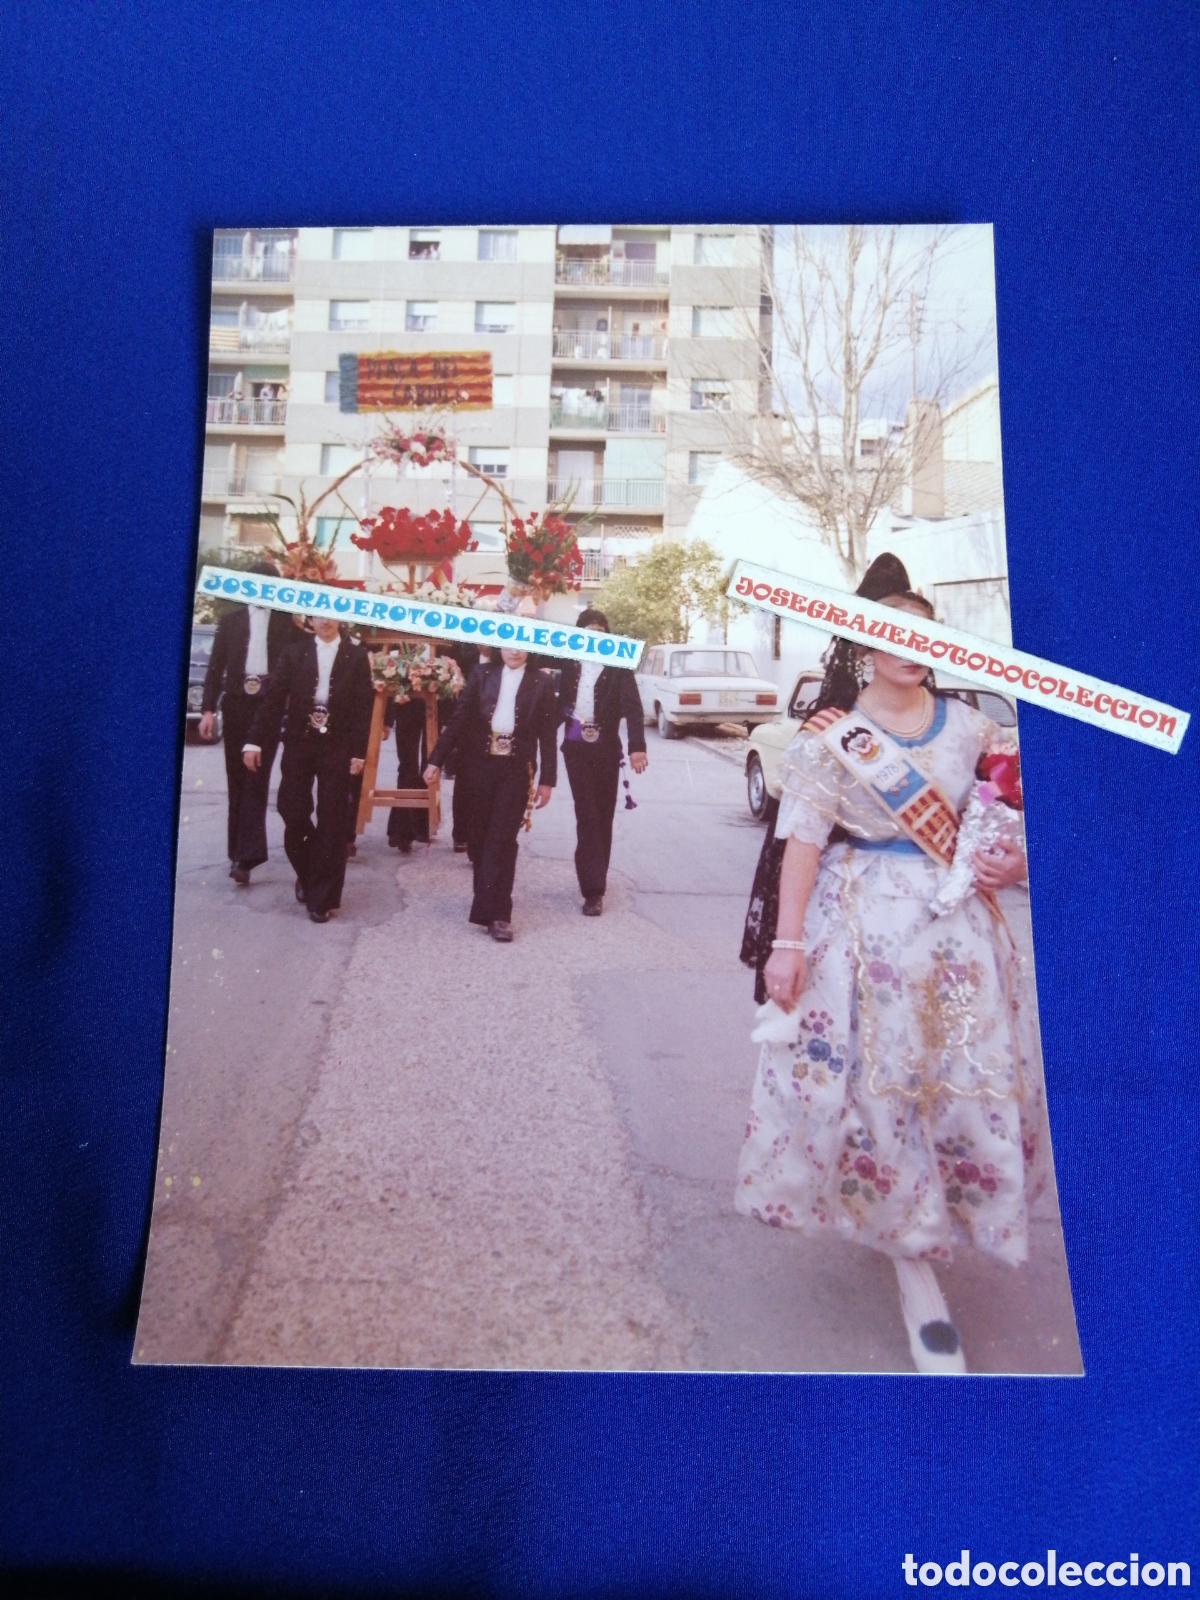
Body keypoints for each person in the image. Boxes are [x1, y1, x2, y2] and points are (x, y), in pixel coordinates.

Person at [736, 553, 1039, 1374]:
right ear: (864, 645)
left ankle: (931, 1223)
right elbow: (803, 842)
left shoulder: (973, 728)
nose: (912, 648)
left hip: (958, 942)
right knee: (883, 1092)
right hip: (862, 933)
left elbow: (1013, 813)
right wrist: (787, 946)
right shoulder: (831, 738)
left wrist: (1017, 861)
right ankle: (918, 1279)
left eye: (924, 634)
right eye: (892, 633)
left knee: (959, 1088)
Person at [243, 616, 374, 924]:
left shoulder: (356, 656)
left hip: (338, 747)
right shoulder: (294, 653)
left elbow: (363, 707)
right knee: (291, 809)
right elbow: (274, 700)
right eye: (318, 615)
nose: (325, 621)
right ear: (309, 621)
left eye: (331, 614)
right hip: (299, 743)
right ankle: (309, 873)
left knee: (332, 819)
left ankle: (322, 899)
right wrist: (254, 741)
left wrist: (358, 752)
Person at [423, 647, 557, 941]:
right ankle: (486, 903)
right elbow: (459, 719)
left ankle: (499, 915)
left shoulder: (542, 682)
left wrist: (548, 780)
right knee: (481, 837)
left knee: (503, 839)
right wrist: (435, 760)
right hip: (479, 766)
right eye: (509, 644)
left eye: (522, 645)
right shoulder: (482, 674)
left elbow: (548, 734)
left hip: (516, 769)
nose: (515, 651)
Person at [198, 562, 295, 885]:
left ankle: (246, 857)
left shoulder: (286, 623)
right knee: (237, 778)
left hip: (268, 707)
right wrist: (208, 709)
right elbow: (215, 668)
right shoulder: (230, 622)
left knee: (256, 776)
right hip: (237, 704)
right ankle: (237, 852)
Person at [557, 607, 648, 915]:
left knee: (602, 816)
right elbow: (557, 703)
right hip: (575, 749)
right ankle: (592, 891)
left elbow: (633, 708)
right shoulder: (569, 664)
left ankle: (597, 880)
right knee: (587, 814)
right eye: (589, 632)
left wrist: (637, 747)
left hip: (607, 749)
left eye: (600, 632)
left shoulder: (618, 667)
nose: (595, 637)